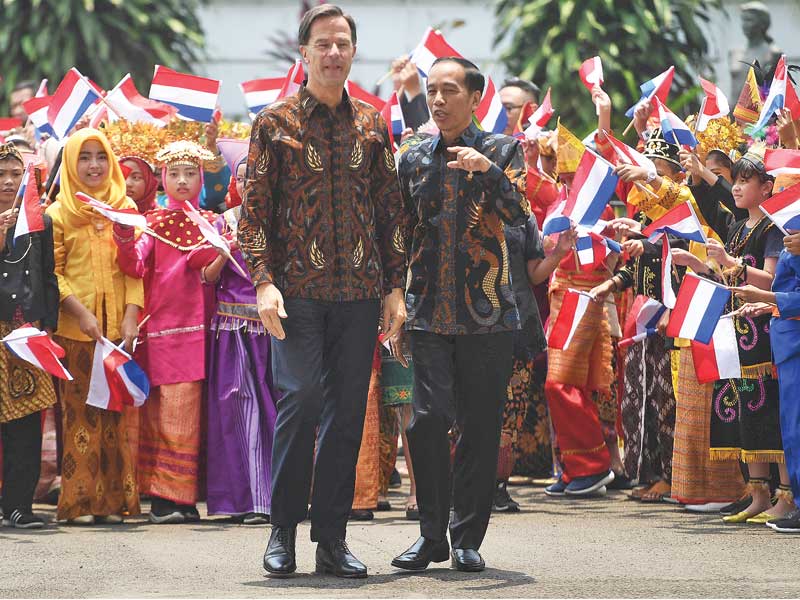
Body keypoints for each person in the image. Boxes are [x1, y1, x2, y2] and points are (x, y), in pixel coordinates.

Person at [238, 4, 408, 579]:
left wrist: (395, 288)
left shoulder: (372, 123)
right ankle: (282, 530)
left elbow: (389, 210)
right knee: (303, 398)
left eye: (342, 43)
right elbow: (254, 214)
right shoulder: (274, 122)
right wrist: (263, 282)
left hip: (360, 293)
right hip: (296, 294)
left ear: (353, 52)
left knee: (346, 415)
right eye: (323, 44)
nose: (333, 53)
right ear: (304, 53)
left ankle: (332, 540)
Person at [391, 56, 529, 573]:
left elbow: (519, 215)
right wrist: (394, 298)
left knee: (480, 426)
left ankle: (467, 537)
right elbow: (398, 232)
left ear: (475, 98)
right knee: (426, 420)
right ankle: (431, 535)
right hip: (427, 312)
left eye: (450, 90)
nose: (438, 100)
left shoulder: (503, 150)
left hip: (488, 315)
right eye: (431, 90)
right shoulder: (412, 158)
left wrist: (487, 171)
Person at [113, 140, 217, 525]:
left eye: (190, 173)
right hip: (164, 330)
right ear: (163, 179)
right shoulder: (152, 223)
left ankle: (183, 496)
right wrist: (124, 237)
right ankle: (164, 497)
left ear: (201, 178)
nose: (182, 180)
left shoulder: (213, 222)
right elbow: (134, 266)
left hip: (206, 331)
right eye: (174, 174)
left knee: (192, 414)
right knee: (169, 412)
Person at [46, 128, 143, 525]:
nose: (94, 165)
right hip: (75, 333)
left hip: (116, 333)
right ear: (71, 163)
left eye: (101, 156)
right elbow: (53, 273)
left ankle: (114, 502)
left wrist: (132, 314)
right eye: (84, 157)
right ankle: (79, 503)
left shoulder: (124, 207)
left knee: (114, 417)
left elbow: (135, 268)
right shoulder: (58, 213)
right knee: (80, 416)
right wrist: (80, 313)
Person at [191, 152, 276, 525]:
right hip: (231, 329)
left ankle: (269, 498)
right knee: (233, 409)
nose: (247, 183)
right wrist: (227, 250)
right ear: (234, 184)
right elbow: (207, 277)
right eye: (242, 178)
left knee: (273, 410)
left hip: (271, 328)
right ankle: (238, 500)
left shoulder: (279, 222)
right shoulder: (221, 222)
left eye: (254, 177)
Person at [0, 143, 58, 528]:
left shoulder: (40, 222)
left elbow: (48, 275)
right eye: (0, 175)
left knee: (25, 425)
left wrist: (47, 326)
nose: (8, 182)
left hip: (25, 333)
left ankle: (19, 505)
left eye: (15, 174)